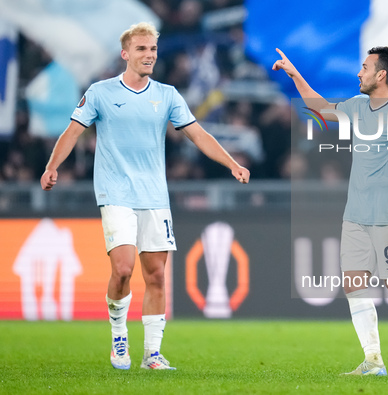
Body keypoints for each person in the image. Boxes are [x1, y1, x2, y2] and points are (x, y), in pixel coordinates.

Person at [40, 22, 250, 370]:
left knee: (155, 276)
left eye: (152, 49)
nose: (149, 55)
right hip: (116, 192)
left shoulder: (167, 95)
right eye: (141, 49)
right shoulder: (101, 92)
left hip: (154, 195)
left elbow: (198, 134)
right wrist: (51, 167)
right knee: (123, 269)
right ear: (126, 54)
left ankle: (152, 354)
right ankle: (118, 335)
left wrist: (231, 164)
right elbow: (73, 130)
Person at [273, 46, 388, 376]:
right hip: (355, 215)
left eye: (365, 67)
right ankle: (373, 361)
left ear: (381, 75)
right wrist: (294, 73)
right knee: (354, 284)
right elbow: (319, 107)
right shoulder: (358, 107)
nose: (359, 73)